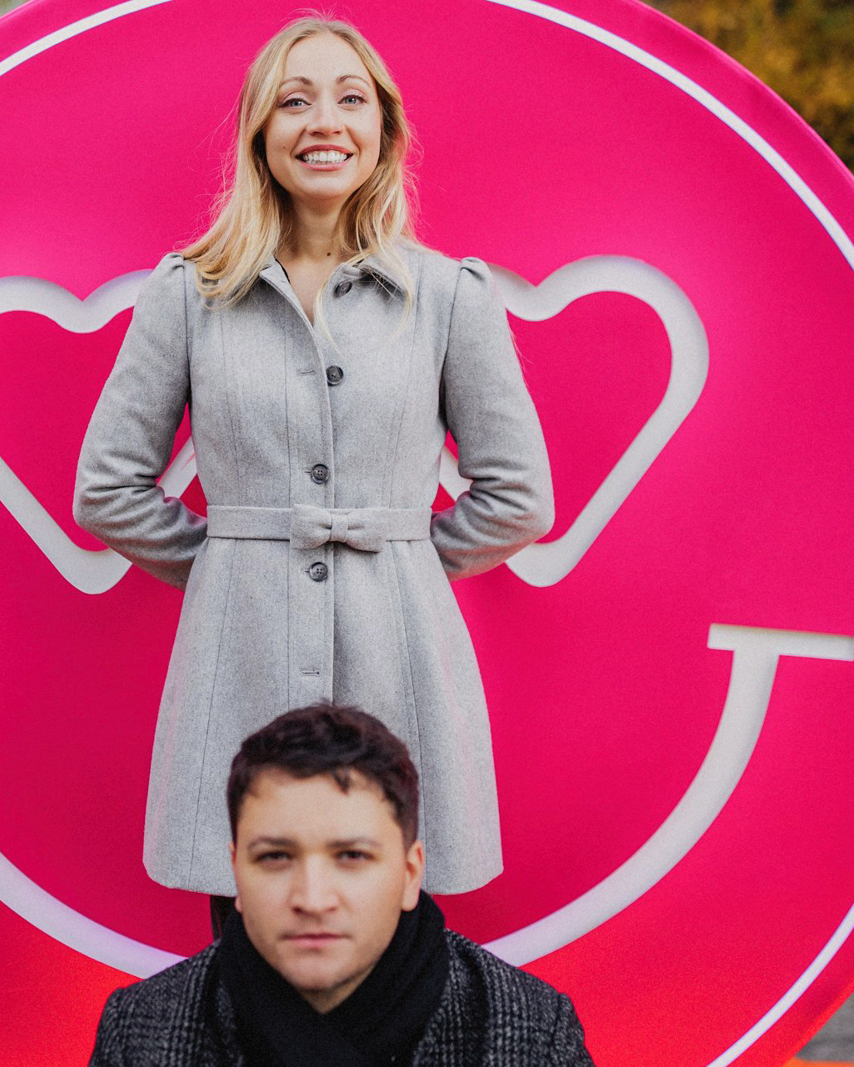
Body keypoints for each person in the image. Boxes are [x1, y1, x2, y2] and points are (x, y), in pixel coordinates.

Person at [74, 16, 553, 900]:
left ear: (384, 130)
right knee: (251, 920)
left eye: (350, 99)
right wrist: (235, 564)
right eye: (294, 101)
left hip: (400, 663)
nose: (324, 122)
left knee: (391, 919)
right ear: (260, 132)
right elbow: (107, 487)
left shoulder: (449, 297)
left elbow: (519, 495)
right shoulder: (188, 294)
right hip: (240, 664)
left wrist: (399, 562)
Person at [89, 703, 594, 1066]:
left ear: (410, 874)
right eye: (275, 857)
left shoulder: (528, 1033)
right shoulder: (141, 1035)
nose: (312, 899)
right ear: (235, 872)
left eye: (352, 856)